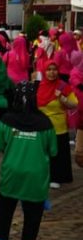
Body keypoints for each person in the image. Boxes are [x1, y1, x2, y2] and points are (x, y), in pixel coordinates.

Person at [0, 81, 57, 240]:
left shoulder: (6, 120)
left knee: (5, 207)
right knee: (33, 212)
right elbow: (53, 150)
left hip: (11, 171)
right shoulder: (45, 122)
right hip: (36, 175)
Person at [36, 60, 77, 189]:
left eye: (54, 69)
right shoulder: (38, 86)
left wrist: (62, 98)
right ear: (44, 71)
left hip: (58, 127)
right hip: (41, 127)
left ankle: (57, 177)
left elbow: (74, 104)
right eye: (49, 69)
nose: (52, 72)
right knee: (42, 154)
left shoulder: (62, 86)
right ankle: (42, 176)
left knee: (57, 154)